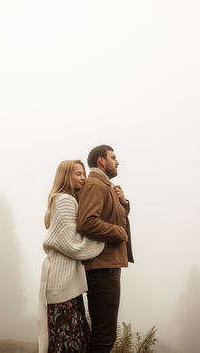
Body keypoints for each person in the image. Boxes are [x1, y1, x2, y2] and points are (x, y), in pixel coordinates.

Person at [37, 159, 104, 353]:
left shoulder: (59, 199)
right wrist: (102, 241)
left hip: (61, 281)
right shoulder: (66, 200)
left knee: (63, 339)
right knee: (69, 342)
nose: (83, 178)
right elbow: (72, 245)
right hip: (62, 282)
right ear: (66, 176)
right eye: (78, 173)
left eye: (83, 173)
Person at [77, 145, 134, 353]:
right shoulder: (95, 185)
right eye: (113, 157)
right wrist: (119, 233)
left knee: (103, 335)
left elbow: (113, 216)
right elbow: (87, 223)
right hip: (102, 268)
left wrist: (123, 203)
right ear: (102, 161)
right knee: (104, 337)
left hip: (107, 265)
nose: (117, 161)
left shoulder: (105, 186)